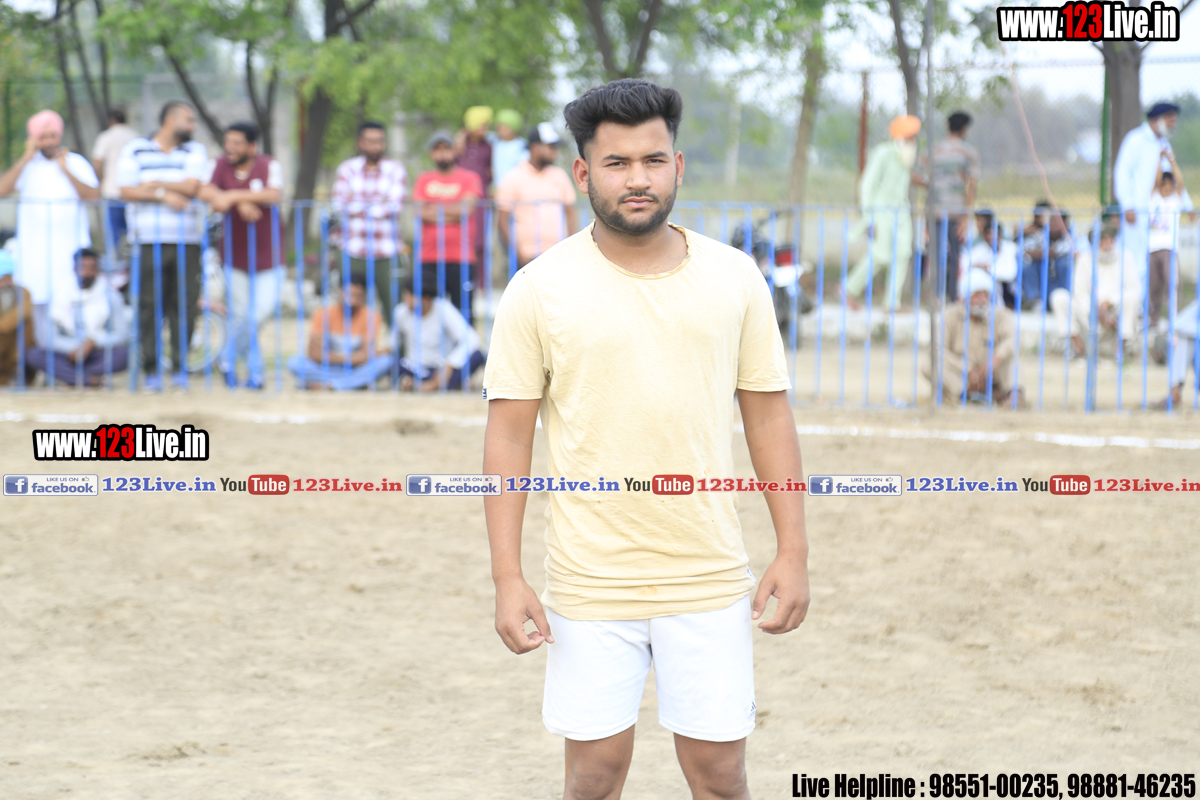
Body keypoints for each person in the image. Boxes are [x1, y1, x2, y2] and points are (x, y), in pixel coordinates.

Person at [483, 78, 809, 800]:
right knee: (594, 776)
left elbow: (768, 417)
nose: (638, 179)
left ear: (678, 166)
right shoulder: (538, 288)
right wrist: (508, 577)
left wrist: (793, 549)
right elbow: (508, 440)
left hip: (709, 572)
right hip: (589, 579)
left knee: (720, 775)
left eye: (653, 160)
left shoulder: (735, 278)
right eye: (617, 163)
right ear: (582, 174)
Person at [116, 100, 208, 389]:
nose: (193, 126)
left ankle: (180, 367)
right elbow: (126, 190)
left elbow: (192, 187)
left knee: (185, 304)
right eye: (189, 120)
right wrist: (163, 195)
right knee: (148, 305)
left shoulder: (195, 150)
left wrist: (152, 183)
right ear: (170, 120)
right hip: (146, 240)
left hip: (187, 240)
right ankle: (151, 369)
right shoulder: (135, 149)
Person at [0, 110, 101, 350]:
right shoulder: (28, 165)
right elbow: (3, 190)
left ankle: (75, 358)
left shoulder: (76, 162)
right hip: (35, 252)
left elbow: (94, 196)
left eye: (52, 136)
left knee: (71, 303)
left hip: (69, 249)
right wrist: (25, 158)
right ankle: (44, 359)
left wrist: (65, 169)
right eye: (42, 137)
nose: (48, 142)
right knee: (38, 307)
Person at [199, 121, 285, 389]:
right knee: (241, 316)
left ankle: (227, 356)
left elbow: (273, 194)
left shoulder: (269, 164)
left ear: (252, 146)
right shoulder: (218, 165)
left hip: (270, 255)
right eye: (228, 142)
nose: (230, 148)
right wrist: (244, 200)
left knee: (258, 314)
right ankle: (255, 373)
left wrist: (234, 197)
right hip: (234, 255)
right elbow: (205, 191)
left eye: (237, 143)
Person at [844, 114, 920, 311]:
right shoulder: (884, 153)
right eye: (911, 136)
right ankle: (848, 289)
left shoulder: (906, 156)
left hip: (901, 212)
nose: (914, 140)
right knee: (880, 255)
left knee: (903, 254)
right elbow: (867, 185)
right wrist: (869, 217)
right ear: (902, 137)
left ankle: (892, 303)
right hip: (881, 212)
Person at [332, 121, 407, 317]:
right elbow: (339, 205)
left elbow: (395, 207)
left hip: (388, 250)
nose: (376, 146)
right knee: (351, 311)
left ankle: (394, 339)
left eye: (380, 141)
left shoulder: (395, 169)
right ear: (360, 143)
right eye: (371, 141)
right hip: (353, 249)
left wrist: (357, 204)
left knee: (395, 310)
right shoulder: (347, 168)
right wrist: (379, 203)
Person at [26, 248, 129, 387]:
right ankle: (90, 380)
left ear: (98, 270)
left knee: (126, 355)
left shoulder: (110, 296)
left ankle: (71, 377)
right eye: (83, 267)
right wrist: (76, 348)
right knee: (35, 354)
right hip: (67, 353)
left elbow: (121, 335)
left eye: (92, 268)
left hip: (97, 352)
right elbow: (49, 337)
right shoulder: (60, 294)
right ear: (74, 269)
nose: (87, 273)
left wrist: (93, 343)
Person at [412, 130, 484, 323]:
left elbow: (465, 210)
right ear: (431, 153)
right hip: (429, 257)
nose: (442, 154)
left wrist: (433, 210)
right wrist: (453, 211)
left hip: (461, 257)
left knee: (464, 313)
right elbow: (419, 212)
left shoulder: (469, 178)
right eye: (438, 149)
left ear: (455, 151)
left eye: (447, 149)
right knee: (428, 315)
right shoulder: (423, 179)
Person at [926, 268, 1022, 406]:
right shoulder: (949, 316)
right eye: (977, 295)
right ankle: (969, 395)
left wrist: (996, 359)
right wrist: (967, 369)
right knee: (929, 364)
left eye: (986, 295)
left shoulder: (1002, 316)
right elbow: (937, 348)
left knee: (1011, 358)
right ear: (964, 298)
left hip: (993, 374)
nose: (982, 300)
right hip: (962, 376)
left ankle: (1014, 395)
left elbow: (1014, 339)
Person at [1114, 101, 1180, 299]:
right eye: (1170, 118)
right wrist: (1128, 205)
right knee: (1134, 261)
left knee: (1152, 264)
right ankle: (1130, 306)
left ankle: (1146, 310)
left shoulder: (1164, 144)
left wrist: (1185, 206)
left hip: (1157, 215)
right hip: (1136, 213)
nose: (1173, 123)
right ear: (1157, 119)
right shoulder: (1135, 140)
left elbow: (1172, 179)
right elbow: (1122, 173)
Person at [495, 123, 579, 270]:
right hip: (526, 258)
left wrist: (570, 248)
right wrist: (518, 254)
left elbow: (571, 213)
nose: (555, 151)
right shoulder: (513, 177)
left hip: (557, 256)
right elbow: (502, 220)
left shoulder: (560, 176)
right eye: (551, 147)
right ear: (534, 148)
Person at [1052, 223, 1141, 359]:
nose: (1108, 244)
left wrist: (1108, 303)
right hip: (1089, 313)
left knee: (1131, 299)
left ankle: (1120, 348)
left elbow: (1133, 289)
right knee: (1059, 297)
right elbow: (1079, 293)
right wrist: (1096, 309)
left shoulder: (1126, 258)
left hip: (1116, 311)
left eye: (1110, 239)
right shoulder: (1084, 261)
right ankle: (1078, 346)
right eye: (1103, 240)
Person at [288, 274, 388, 390]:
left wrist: (331, 356)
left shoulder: (372, 316)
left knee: (386, 362)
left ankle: (332, 385)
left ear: (364, 295)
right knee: (294, 363)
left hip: (356, 369)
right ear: (339, 291)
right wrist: (353, 358)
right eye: (349, 294)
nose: (352, 300)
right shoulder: (322, 314)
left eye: (357, 295)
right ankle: (353, 383)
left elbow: (366, 356)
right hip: (328, 368)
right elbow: (313, 354)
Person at [926, 111, 980, 303]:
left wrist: (935, 185)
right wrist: (966, 216)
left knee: (935, 254)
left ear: (948, 127)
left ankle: (935, 296)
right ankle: (953, 296)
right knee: (955, 255)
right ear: (965, 129)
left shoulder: (934, 150)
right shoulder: (968, 152)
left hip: (934, 210)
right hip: (957, 212)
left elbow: (917, 176)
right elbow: (972, 185)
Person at [394, 280, 485, 392]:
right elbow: (392, 343)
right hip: (416, 368)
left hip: (442, 367)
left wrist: (450, 363)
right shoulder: (400, 312)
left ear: (426, 299)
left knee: (477, 355)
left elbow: (471, 340)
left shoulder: (443, 309)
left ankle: (428, 386)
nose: (405, 298)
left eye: (410, 295)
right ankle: (451, 384)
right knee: (394, 363)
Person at [1146, 153, 1195, 331]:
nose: (1166, 188)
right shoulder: (1154, 199)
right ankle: (1154, 319)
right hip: (1153, 248)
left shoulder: (1175, 200)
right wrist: (1160, 160)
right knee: (1154, 286)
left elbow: (1180, 182)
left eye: (1169, 185)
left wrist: (1172, 161)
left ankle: (1174, 319)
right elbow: (1155, 180)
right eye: (1163, 185)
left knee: (1172, 284)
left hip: (1169, 247)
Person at [91, 107, 139, 248]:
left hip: (112, 191)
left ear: (111, 120)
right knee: (133, 234)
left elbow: (97, 164)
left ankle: (117, 259)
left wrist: (101, 182)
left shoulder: (106, 137)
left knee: (114, 235)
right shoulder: (135, 137)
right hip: (132, 192)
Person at [456, 106, 495, 273]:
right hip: (459, 197)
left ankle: (480, 280)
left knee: (480, 239)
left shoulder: (488, 146)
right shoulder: (459, 145)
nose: (484, 129)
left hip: (481, 198)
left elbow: (491, 171)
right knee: (462, 237)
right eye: (481, 125)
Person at [957, 210, 1020, 308]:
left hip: (1008, 289)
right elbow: (967, 264)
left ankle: (999, 307)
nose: (991, 237)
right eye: (988, 234)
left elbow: (1010, 274)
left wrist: (987, 269)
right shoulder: (980, 249)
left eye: (994, 234)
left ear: (1000, 235)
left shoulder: (1010, 248)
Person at [1019, 202, 1075, 311]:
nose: (1053, 224)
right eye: (1051, 221)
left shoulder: (1070, 237)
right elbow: (1025, 249)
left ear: (1065, 224)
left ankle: (1066, 300)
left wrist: (1040, 253)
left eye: (1057, 222)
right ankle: (1035, 300)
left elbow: (1055, 251)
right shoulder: (1041, 235)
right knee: (1028, 264)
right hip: (1045, 281)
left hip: (1059, 282)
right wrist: (1042, 253)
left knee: (1063, 263)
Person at [0, 249, 36, 385]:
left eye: (9, 276)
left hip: (16, 352)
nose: (6, 281)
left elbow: (21, 314)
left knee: (26, 324)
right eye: (3, 276)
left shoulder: (23, 292)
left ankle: (18, 369)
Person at [491, 109, 528, 185]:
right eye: (499, 126)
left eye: (503, 126)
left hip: (515, 187)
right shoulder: (495, 141)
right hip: (497, 188)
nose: (500, 129)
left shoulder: (522, 146)